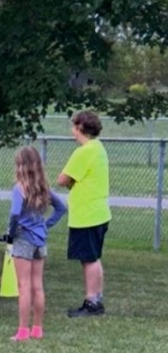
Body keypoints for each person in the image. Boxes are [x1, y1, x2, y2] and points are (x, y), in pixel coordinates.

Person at [5, 146, 67, 341]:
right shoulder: (43, 188)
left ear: (20, 166)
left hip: (23, 239)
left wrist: (11, 233)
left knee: (23, 287)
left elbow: (15, 213)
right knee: (37, 286)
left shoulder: (19, 188)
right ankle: (37, 328)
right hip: (40, 241)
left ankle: (22, 331)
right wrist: (45, 225)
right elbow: (61, 207)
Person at [57, 110, 111, 317]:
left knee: (88, 259)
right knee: (95, 258)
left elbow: (63, 179)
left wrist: (70, 181)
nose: (72, 130)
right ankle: (97, 299)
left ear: (80, 128)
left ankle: (91, 302)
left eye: (74, 126)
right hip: (99, 212)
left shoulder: (84, 151)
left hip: (86, 215)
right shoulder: (99, 148)